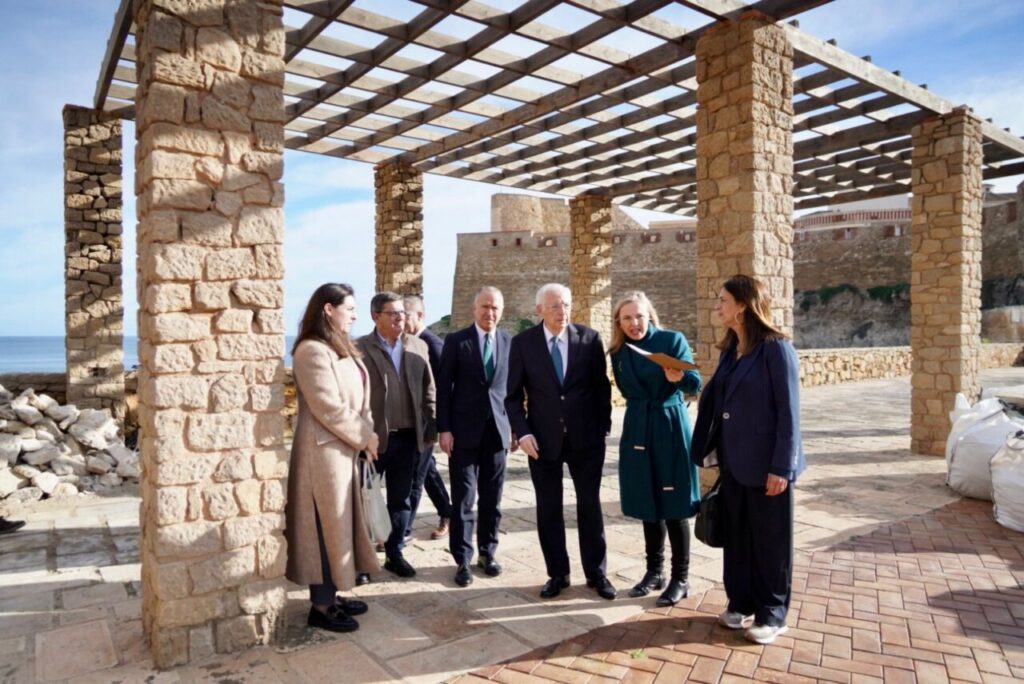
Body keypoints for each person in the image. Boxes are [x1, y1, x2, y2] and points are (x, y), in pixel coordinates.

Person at [691, 274, 805, 645]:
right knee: (738, 536)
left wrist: (782, 467)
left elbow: (789, 413)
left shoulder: (776, 349)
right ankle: (739, 601)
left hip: (768, 465)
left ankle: (773, 612)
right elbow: (717, 400)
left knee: (771, 541)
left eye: (722, 300)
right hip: (734, 462)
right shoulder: (730, 349)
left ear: (742, 305)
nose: (717, 306)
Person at [506, 283, 616, 600]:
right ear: (539, 309)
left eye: (566, 304)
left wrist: (603, 427)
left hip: (586, 440)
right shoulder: (523, 344)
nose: (562, 311)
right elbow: (512, 397)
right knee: (549, 509)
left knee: (590, 507)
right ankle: (558, 574)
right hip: (542, 442)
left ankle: (597, 574)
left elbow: (601, 388)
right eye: (554, 306)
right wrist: (523, 432)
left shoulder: (589, 339)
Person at [285, 283, 380, 633]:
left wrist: (366, 434)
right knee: (322, 528)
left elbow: (361, 399)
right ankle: (321, 606)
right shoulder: (311, 350)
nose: (355, 315)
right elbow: (328, 405)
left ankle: (334, 594)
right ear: (328, 309)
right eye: (350, 308)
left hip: (345, 451)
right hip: (322, 455)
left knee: (340, 525)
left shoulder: (338, 348)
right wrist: (365, 435)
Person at [609, 292, 701, 607]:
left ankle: (680, 577)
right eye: (627, 318)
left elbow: (696, 384)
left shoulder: (671, 340)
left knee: (674, 503)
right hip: (637, 425)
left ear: (650, 315)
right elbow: (625, 391)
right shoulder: (618, 352)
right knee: (647, 500)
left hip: (669, 424)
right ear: (618, 323)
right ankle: (654, 572)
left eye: (639, 316)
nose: (634, 324)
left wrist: (679, 378)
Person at [436, 287, 513, 587]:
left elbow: (515, 390)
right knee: (464, 499)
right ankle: (463, 560)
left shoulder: (509, 342)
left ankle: (487, 553)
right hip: (463, 434)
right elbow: (444, 388)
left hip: (497, 434)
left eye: (495, 308)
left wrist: (516, 429)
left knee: (493, 499)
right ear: (474, 308)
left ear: (501, 311)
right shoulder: (456, 341)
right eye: (484, 307)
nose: (489, 313)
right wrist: (444, 428)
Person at [357, 292, 437, 578]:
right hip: (373, 441)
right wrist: (362, 435)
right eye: (393, 313)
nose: (400, 317)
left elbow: (429, 388)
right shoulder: (359, 349)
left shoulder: (418, 346)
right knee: (362, 499)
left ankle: (394, 554)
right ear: (376, 316)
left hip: (409, 439)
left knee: (401, 499)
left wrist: (430, 426)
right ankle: (362, 560)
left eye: (402, 313)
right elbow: (353, 396)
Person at [403, 295, 453, 541]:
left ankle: (403, 531)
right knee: (428, 472)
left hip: (427, 424)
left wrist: (440, 427)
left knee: (416, 476)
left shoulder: (432, 345)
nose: (401, 321)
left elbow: (444, 389)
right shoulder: (409, 342)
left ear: (419, 316)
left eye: (406, 315)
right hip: (411, 423)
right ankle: (447, 512)